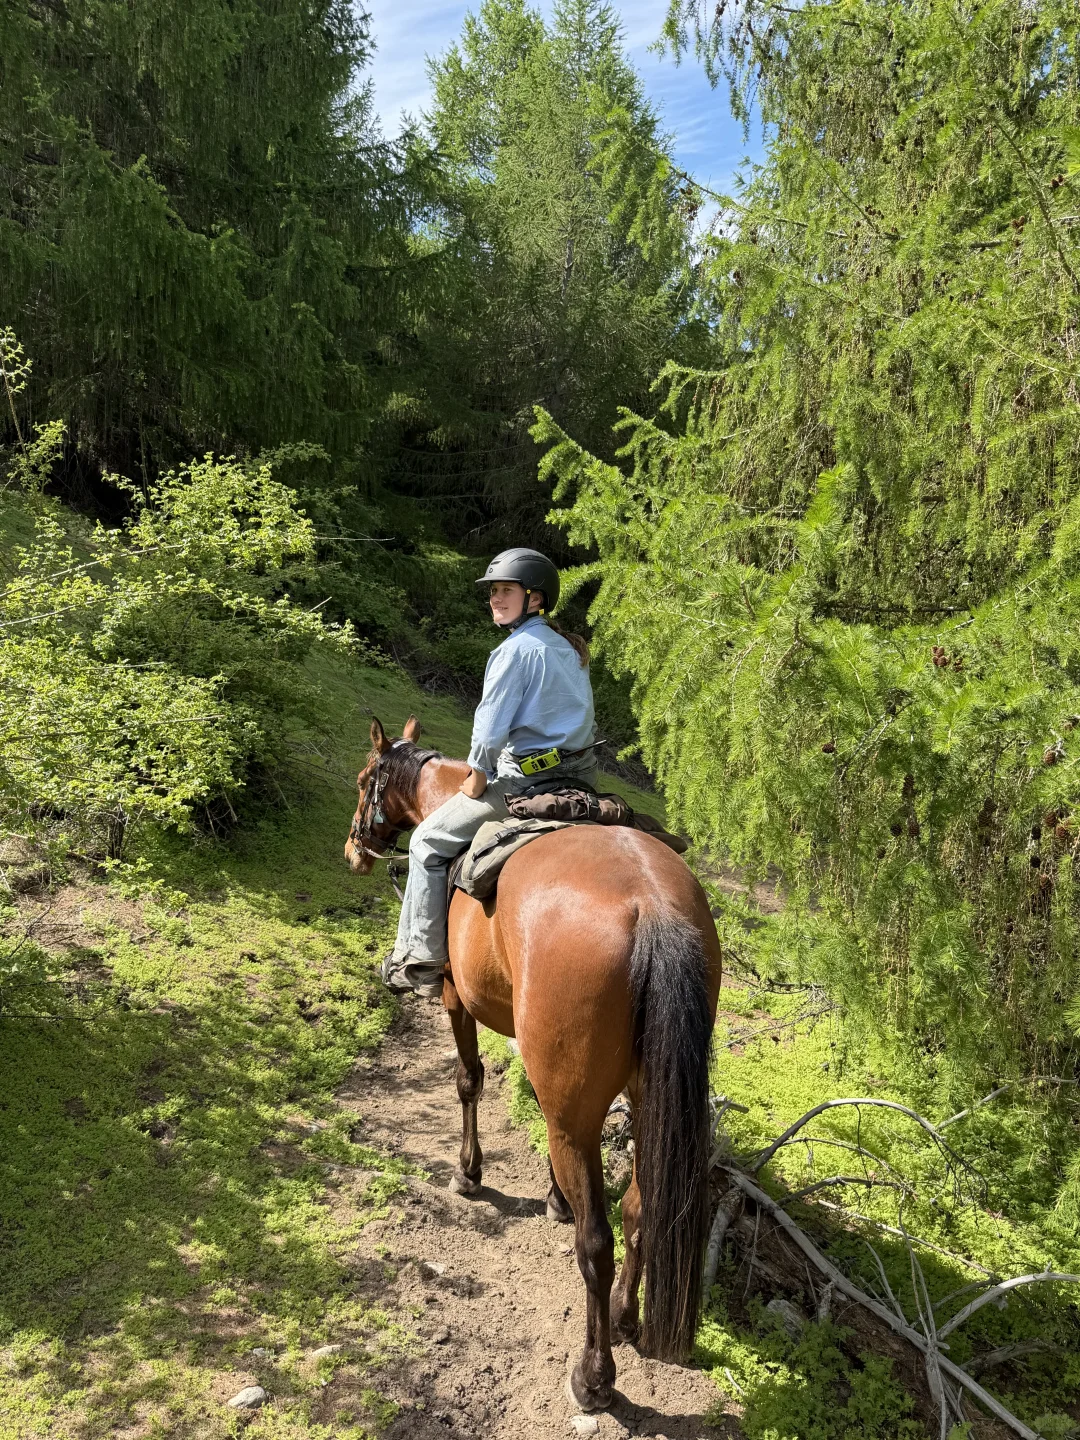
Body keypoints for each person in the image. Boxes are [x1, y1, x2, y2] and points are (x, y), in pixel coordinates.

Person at [382, 547, 598, 998]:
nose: (496, 599)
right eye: (493, 591)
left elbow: (489, 729)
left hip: (523, 782)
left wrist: (478, 774)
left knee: (425, 842)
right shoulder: (570, 650)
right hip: (581, 779)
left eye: (506, 590)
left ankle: (419, 958)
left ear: (534, 599)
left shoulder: (512, 652)